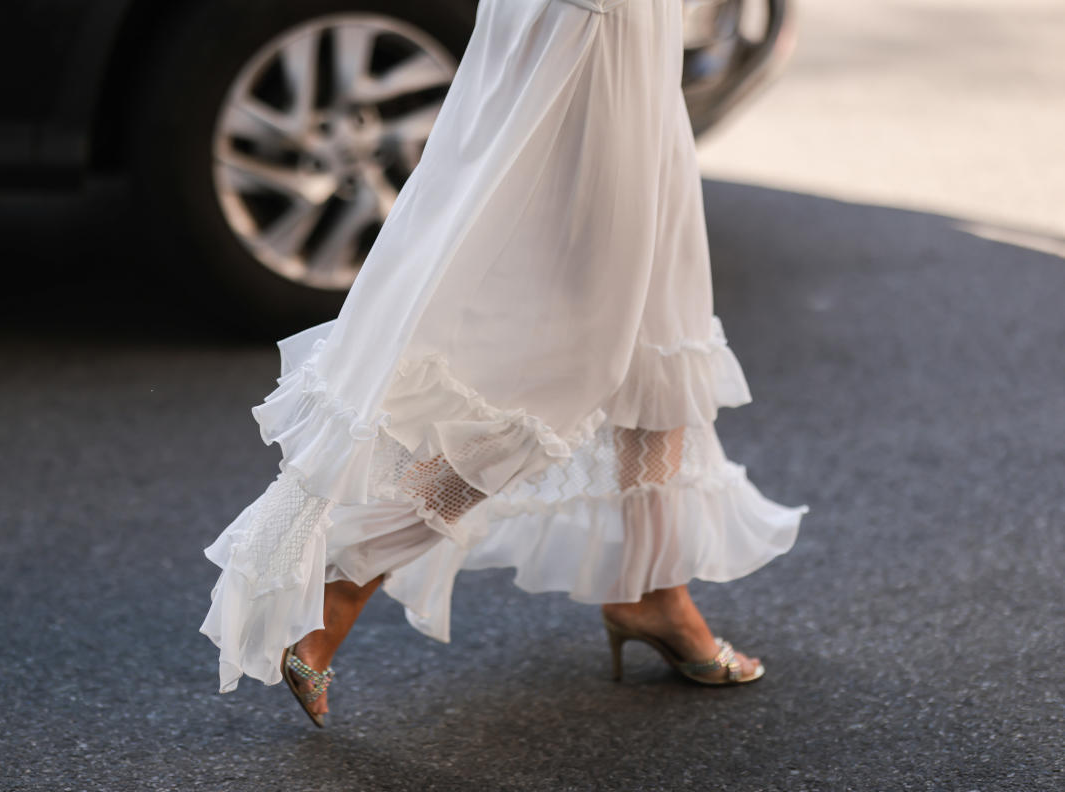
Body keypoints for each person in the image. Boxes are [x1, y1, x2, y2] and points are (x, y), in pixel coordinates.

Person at [200, 0, 807, 728]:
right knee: (563, 354)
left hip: (630, 26)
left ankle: (655, 587)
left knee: (659, 307)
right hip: (594, 23)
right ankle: (351, 570)